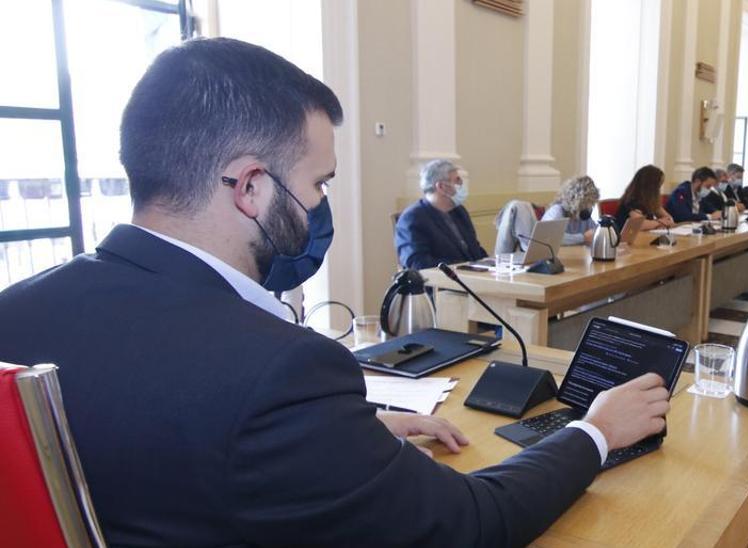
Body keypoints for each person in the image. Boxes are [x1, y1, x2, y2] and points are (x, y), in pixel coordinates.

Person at [0, 37, 672, 546]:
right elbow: (472, 523)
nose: (322, 202)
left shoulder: (17, 310)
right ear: (251, 186)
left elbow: (176, 440)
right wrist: (595, 431)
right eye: (318, 182)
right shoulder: (279, 369)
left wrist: (341, 440)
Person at [395, 159, 488, 268]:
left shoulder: (459, 211)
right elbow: (417, 263)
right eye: (457, 181)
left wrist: (491, 264)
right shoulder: (412, 218)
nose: (462, 185)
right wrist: (463, 268)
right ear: (441, 187)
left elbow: (475, 250)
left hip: (471, 279)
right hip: (440, 282)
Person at [542, 175, 600, 245]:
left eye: (591, 203)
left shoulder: (584, 216)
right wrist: (583, 237)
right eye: (587, 203)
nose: (589, 208)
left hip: (576, 254)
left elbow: (595, 231)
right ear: (576, 200)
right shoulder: (557, 211)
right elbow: (551, 237)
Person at [617, 164, 676, 230]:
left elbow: (669, 219)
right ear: (650, 187)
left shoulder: (649, 202)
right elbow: (638, 224)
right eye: (658, 187)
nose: (659, 191)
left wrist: (663, 221)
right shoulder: (631, 202)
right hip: (626, 239)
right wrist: (660, 222)